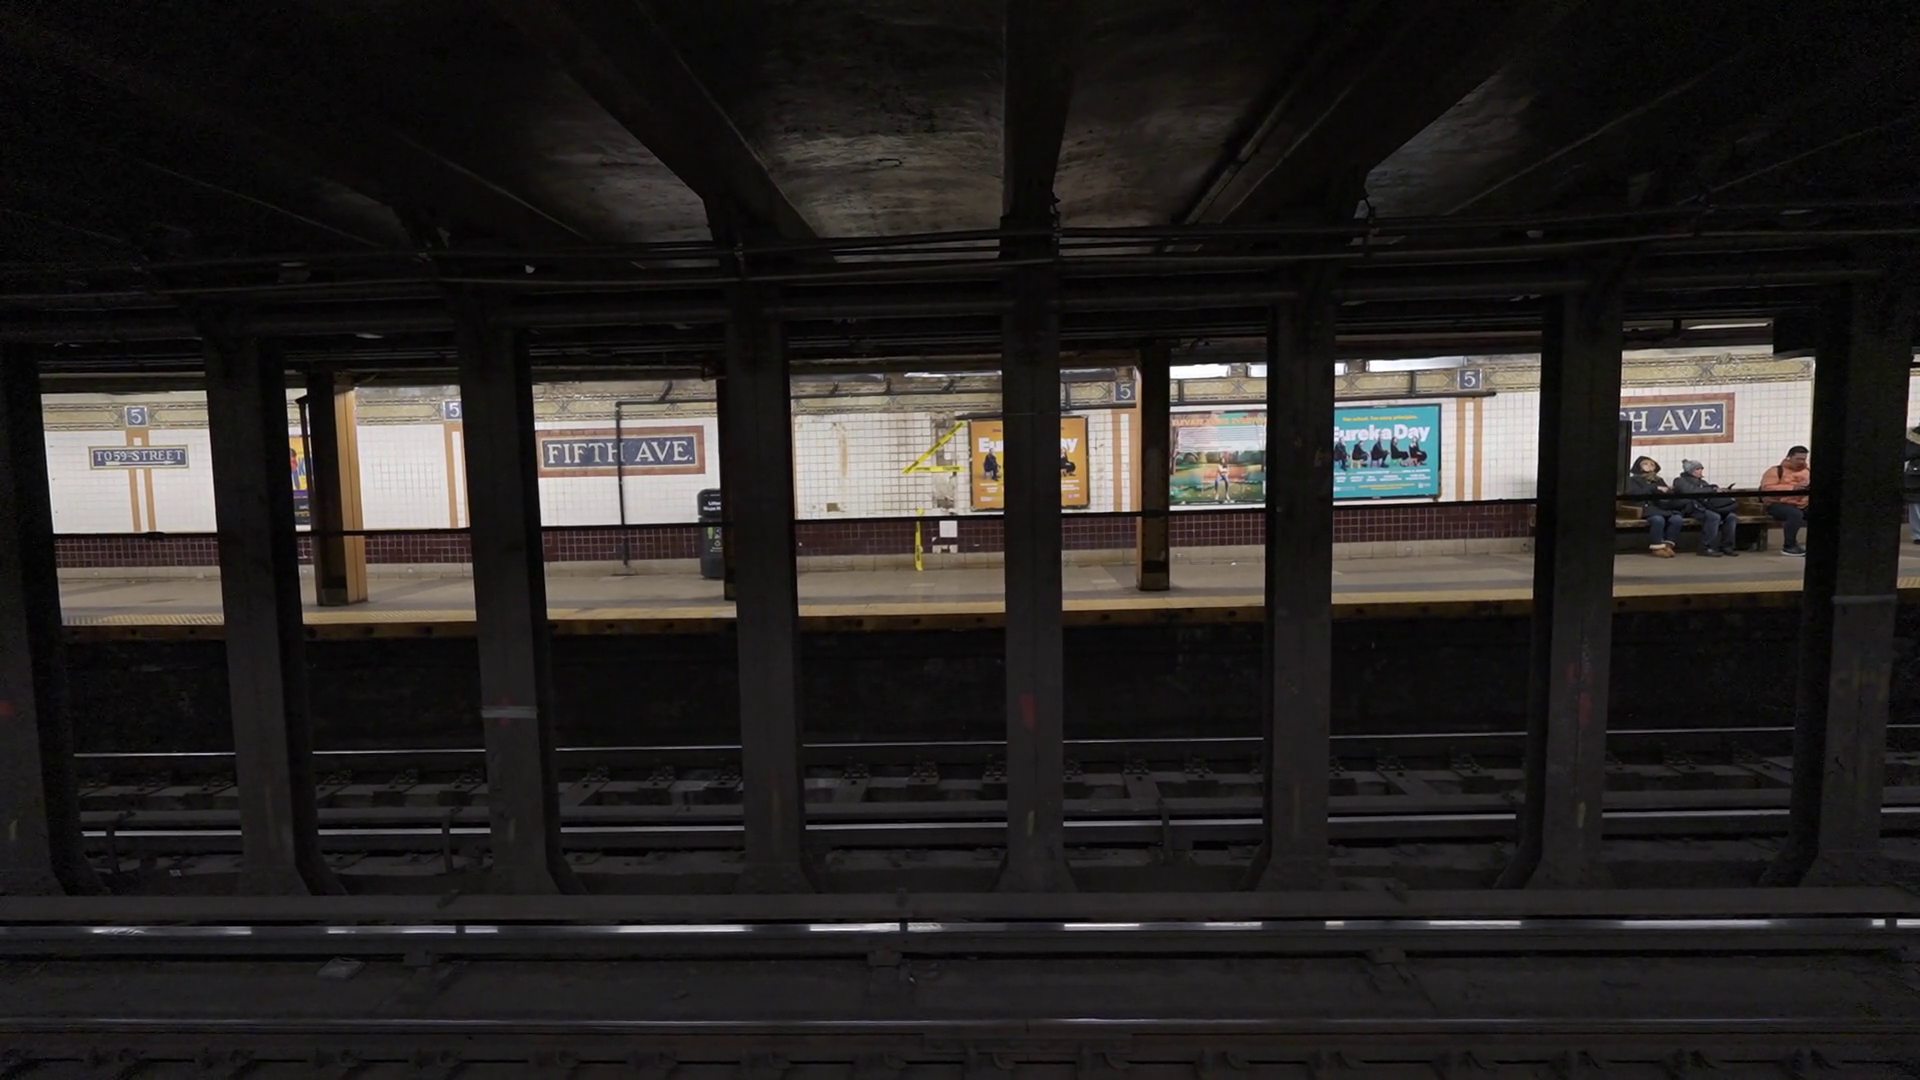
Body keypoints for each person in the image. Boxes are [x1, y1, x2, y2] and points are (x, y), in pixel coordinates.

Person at [1672, 459, 1740, 558]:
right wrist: (1712, 490)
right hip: (1692, 508)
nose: (1701, 471)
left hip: (1707, 506)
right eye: (1697, 469)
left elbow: (1707, 492)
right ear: (1690, 471)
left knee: (1731, 517)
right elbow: (1691, 491)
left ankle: (1727, 546)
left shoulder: (1703, 482)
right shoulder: (1679, 481)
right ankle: (1705, 547)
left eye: (1701, 468)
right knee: (1713, 517)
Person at [1627, 456, 1686, 558]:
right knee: (1658, 520)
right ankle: (1657, 547)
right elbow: (1636, 493)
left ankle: (1667, 545)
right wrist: (1656, 488)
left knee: (1677, 519)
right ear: (1639, 467)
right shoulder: (1633, 480)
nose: (1649, 466)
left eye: (1652, 464)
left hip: (1661, 507)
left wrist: (1669, 491)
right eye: (1645, 464)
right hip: (1645, 508)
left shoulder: (1658, 479)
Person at [1760, 446, 1810, 556]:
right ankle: (1789, 546)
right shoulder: (1775, 471)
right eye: (1798, 459)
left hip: (1802, 503)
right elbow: (1767, 488)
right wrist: (1793, 488)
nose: (1801, 462)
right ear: (1789, 457)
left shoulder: (1807, 471)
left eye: (1803, 459)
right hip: (1777, 504)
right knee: (1794, 514)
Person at [1905, 427, 1920, 543]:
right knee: (1915, 503)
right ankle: (1918, 534)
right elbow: (1907, 453)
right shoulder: (1915, 434)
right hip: (1916, 474)